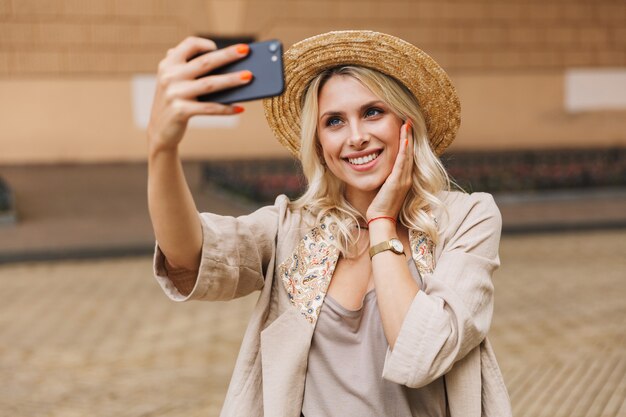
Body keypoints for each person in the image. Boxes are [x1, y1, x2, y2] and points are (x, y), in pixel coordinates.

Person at [147, 30, 512, 417]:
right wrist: (162, 148)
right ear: (319, 144)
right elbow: (190, 256)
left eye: (373, 112)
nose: (356, 137)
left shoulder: (466, 219)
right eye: (334, 121)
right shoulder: (293, 228)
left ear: (407, 122)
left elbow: (422, 354)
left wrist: (383, 220)